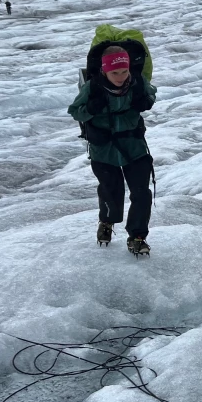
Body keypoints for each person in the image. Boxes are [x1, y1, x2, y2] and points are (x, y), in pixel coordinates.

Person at [68, 46, 157, 256]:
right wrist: (90, 109)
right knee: (111, 190)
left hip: (133, 146)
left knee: (141, 193)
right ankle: (107, 221)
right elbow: (75, 112)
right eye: (114, 72)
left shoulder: (136, 82)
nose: (120, 76)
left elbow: (151, 94)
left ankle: (137, 236)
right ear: (104, 71)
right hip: (104, 149)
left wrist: (145, 101)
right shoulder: (93, 88)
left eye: (124, 71)